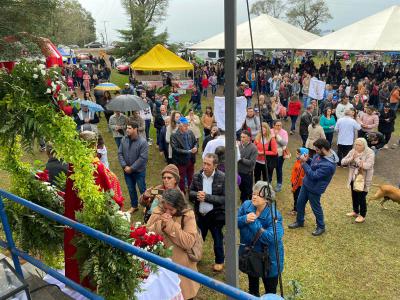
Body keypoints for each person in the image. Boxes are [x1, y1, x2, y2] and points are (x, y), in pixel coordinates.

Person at [64, 131, 123, 286]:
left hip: (74, 214)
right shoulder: (96, 166)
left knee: (77, 244)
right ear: (94, 145)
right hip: (93, 216)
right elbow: (112, 195)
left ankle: (77, 280)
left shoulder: (73, 163)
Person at [146, 189, 200, 300]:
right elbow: (147, 232)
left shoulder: (187, 215)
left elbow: (188, 242)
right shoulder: (158, 211)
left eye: (171, 209)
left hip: (181, 267)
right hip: (160, 265)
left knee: (183, 295)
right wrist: (161, 224)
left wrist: (169, 224)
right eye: (165, 208)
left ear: (179, 206)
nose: (167, 212)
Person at [238, 181, 284, 296]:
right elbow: (233, 222)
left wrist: (253, 223)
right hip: (250, 255)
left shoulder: (274, 215)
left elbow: (271, 238)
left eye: (258, 195)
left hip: (269, 260)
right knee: (253, 288)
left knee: (270, 290)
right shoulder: (246, 205)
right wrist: (244, 219)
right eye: (253, 193)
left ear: (267, 199)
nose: (254, 196)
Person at [288, 138, 338, 236]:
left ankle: (321, 227)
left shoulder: (328, 165)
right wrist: (308, 160)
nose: (316, 151)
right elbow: (314, 164)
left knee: (316, 208)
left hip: (315, 188)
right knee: (299, 203)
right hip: (306, 184)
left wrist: (303, 163)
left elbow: (314, 175)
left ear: (324, 148)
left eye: (317, 150)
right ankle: (299, 221)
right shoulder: (320, 154)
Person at [189, 153, 226, 272]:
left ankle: (219, 261)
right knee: (198, 238)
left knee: (217, 239)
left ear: (215, 165)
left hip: (215, 215)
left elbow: (224, 199)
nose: (205, 166)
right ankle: (196, 256)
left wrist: (207, 197)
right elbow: (190, 193)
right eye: (204, 163)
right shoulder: (197, 176)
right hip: (200, 215)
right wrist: (196, 195)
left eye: (208, 164)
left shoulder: (223, 177)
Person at [341, 138, 375, 223]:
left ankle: (362, 215)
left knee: (361, 197)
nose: (357, 146)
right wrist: (351, 158)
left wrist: (356, 159)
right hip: (354, 177)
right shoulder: (353, 151)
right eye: (356, 144)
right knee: (354, 195)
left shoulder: (370, 153)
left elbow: (367, 166)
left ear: (364, 145)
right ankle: (355, 211)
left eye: (359, 145)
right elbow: (342, 162)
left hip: (363, 179)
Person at [118, 120, 149, 213]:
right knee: (131, 189)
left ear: (135, 129)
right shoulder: (124, 139)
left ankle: (147, 205)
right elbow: (120, 153)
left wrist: (131, 168)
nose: (127, 130)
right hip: (126, 171)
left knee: (142, 189)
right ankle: (134, 205)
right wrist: (124, 166)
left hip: (139, 171)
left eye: (129, 128)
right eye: (127, 128)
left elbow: (143, 158)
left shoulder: (143, 142)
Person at [170, 117, 198, 192]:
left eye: (187, 125)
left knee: (191, 177)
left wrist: (195, 147)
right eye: (185, 125)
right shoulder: (174, 135)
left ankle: (191, 191)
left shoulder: (190, 132)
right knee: (181, 178)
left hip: (191, 160)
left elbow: (195, 142)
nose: (187, 127)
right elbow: (175, 149)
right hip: (181, 161)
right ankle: (182, 193)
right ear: (179, 125)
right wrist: (189, 151)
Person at [238, 130, 258, 202]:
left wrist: (241, 159)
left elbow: (252, 163)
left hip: (247, 173)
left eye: (244, 137)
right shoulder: (238, 146)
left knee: (248, 191)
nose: (242, 139)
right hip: (238, 172)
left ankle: (248, 204)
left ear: (249, 138)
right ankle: (243, 199)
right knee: (241, 188)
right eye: (241, 137)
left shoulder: (253, 148)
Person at [272, 120, 288, 192]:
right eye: (277, 125)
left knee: (279, 169)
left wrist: (277, 136)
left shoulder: (284, 132)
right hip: (270, 153)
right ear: (273, 125)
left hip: (280, 154)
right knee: (270, 168)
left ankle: (279, 184)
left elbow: (284, 143)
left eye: (280, 125)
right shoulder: (270, 131)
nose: (279, 127)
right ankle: (268, 183)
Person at [289, 148, 307, 215]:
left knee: (297, 198)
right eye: (296, 153)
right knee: (296, 197)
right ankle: (298, 209)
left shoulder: (301, 165)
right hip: (295, 183)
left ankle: (296, 210)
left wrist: (294, 187)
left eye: (298, 154)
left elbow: (298, 178)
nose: (296, 155)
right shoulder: (298, 162)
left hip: (298, 185)